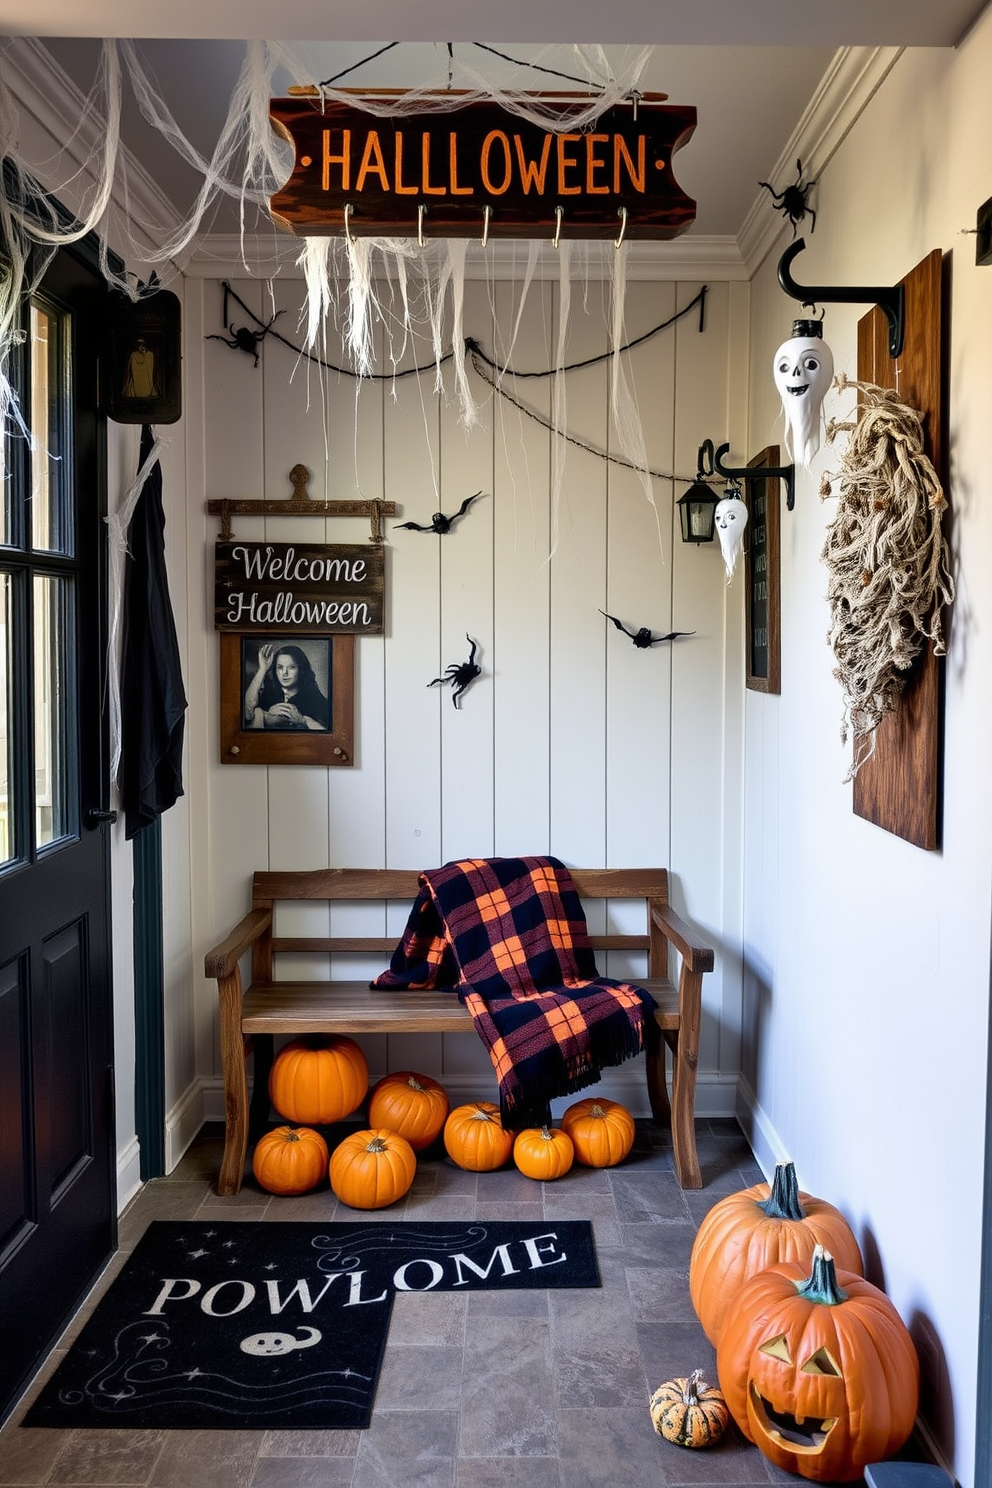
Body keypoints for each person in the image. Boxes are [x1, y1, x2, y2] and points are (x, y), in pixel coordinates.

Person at [244, 642, 330, 731]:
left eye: (292, 667)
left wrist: (302, 720)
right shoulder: (268, 694)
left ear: (301, 670)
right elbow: (246, 713)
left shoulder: (314, 699)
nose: (285, 673)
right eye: (280, 667)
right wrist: (262, 669)